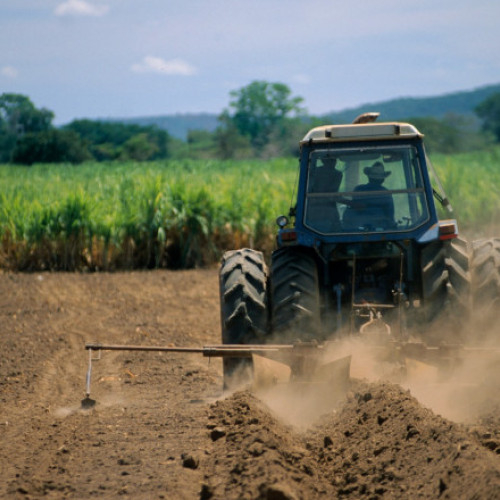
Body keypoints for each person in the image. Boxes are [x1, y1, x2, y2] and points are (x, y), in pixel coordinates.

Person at [343, 161, 395, 229]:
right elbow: (390, 215)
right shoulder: (386, 193)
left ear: (369, 177)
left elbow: (355, 207)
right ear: (382, 179)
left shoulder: (359, 189)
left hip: (356, 229)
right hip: (380, 231)